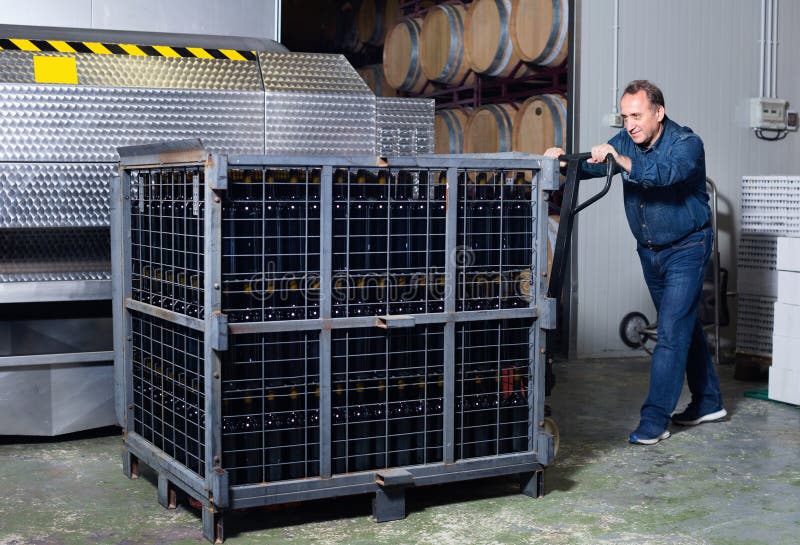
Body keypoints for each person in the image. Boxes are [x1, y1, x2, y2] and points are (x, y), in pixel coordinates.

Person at [545, 80, 726, 445]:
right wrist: (564, 160)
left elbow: (664, 174)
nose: (629, 124)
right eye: (625, 116)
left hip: (687, 248)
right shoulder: (626, 140)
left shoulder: (687, 144)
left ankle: (654, 420)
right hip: (650, 250)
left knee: (671, 336)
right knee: (683, 327)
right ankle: (709, 402)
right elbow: (597, 167)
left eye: (637, 115)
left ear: (659, 112)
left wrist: (621, 160)